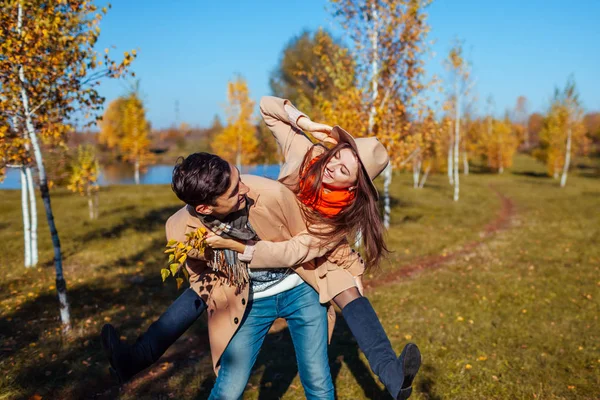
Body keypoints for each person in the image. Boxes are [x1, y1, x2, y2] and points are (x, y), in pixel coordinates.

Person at [203, 96, 421, 399]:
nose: (333, 167)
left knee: (349, 295)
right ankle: (137, 354)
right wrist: (307, 124)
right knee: (196, 294)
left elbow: (296, 251)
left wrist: (245, 250)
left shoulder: (339, 217)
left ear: (353, 186)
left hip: (306, 266)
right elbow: (268, 107)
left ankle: (393, 376)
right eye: (337, 157)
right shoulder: (307, 153)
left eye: (344, 171)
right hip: (266, 265)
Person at [102, 153, 366, 399]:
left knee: (318, 380)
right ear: (205, 208)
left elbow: (315, 235)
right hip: (250, 300)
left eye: (239, 178)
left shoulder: (270, 194)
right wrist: (220, 297)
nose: (245, 189)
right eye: (234, 191)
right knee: (229, 387)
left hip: (300, 289)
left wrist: (353, 266)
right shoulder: (180, 229)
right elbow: (198, 275)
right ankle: (134, 358)